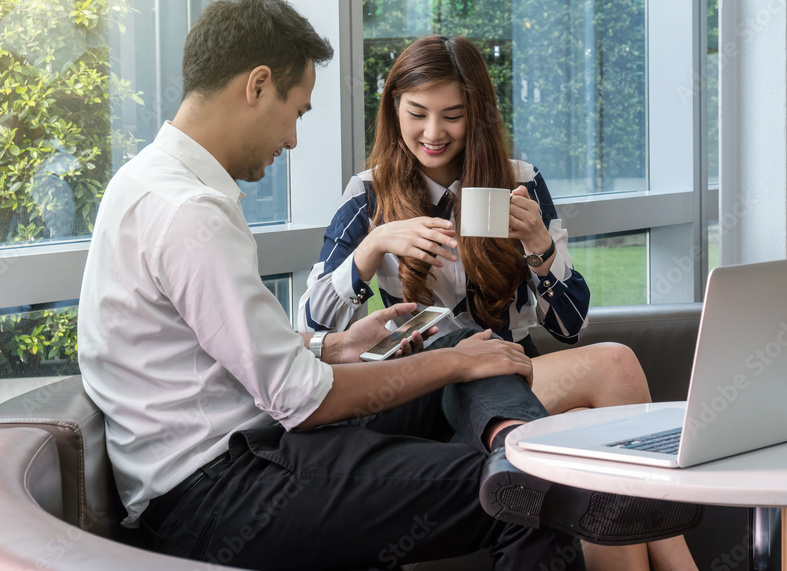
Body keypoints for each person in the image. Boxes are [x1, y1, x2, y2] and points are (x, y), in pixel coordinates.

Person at [76, 0, 679, 571]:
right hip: (221, 488)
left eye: (453, 116)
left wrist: (332, 346)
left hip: (240, 455)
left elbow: (229, 357)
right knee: (523, 485)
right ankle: (518, 451)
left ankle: (509, 434)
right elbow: (301, 399)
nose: (292, 138)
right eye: (296, 113)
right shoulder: (191, 211)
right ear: (258, 85)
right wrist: (453, 363)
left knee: (439, 337)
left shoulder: (151, 183)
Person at [298, 34, 699, 570]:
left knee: (593, 425)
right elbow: (310, 327)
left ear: (478, 115)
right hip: (421, 391)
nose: (433, 133)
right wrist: (373, 248)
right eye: (417, 113)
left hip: (511, 384)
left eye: (453, 115)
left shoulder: (520, 182)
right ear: (393, 109)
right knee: (589, 368)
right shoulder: (368, 194)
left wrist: (539, 247)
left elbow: (570, 327)